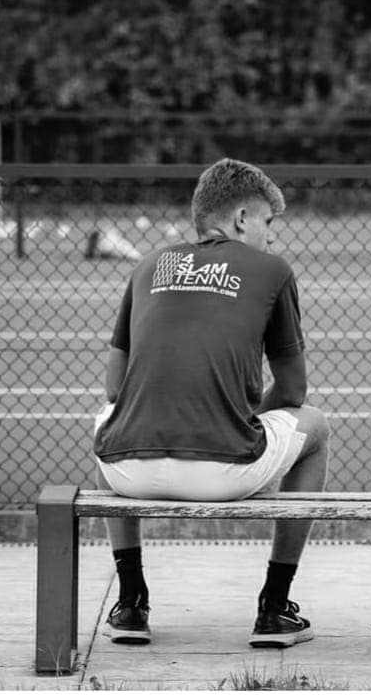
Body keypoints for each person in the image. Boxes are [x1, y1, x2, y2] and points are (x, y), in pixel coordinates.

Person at [92, 158, 330, 649]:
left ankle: (132, 603)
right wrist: (240, 419)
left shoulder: (145, 265)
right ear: (242, 218)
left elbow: (115, 389)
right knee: (317, 427)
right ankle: (274, 607)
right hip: (223, 473)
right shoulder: (273, 271)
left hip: (127, 473)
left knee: (109, 423)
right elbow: (293, 392)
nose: (271, 237)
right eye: (268, 222)